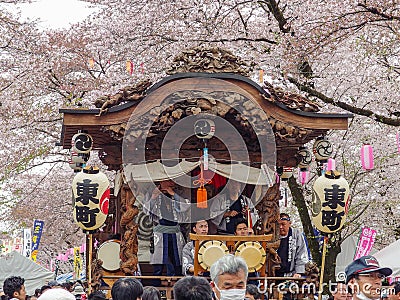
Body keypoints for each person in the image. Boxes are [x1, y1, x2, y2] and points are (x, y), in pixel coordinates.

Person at [143, 180, 190, 284]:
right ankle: (156, 286)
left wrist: (173, 194)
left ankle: (178, 284)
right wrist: (153, 197)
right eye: (168, 181)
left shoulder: (178, 192)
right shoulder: (152, 192)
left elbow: (186, 206)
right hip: (159, 233)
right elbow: (146, 210)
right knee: (158, 262)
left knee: (177, 259)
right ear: (161, 181)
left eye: (172, 181)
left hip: (175, 232)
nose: (171, 183)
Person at [275, 213, 309, 278]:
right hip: (274, 274)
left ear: (289, 223)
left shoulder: (296, 234)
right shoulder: (272, 235)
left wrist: (299, 272)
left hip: (291, 274)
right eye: (278, 225)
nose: (280, 227)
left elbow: (301, 253)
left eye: (283, 224)